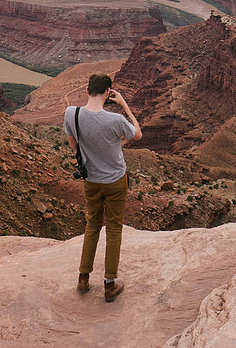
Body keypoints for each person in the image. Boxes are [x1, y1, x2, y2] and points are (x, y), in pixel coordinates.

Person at [63, 73, 141, 303]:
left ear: (87, 91)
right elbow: (137, 134)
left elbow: (73, 144)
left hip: (91, 180)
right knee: (114, 228)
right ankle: (109, 284)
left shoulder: (71, 114)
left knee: (93, 225)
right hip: (115, 181)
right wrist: (124, 105)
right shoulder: (115, 120)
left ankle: (83, 279)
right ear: (108, 94)